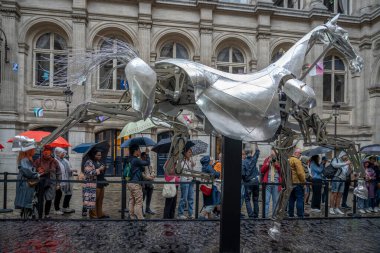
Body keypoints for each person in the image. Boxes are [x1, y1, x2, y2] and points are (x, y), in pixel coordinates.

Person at [34, 146, 61, 219]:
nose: (46, 154)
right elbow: (33, 171)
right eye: (45, 153)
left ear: (51, 153)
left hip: (51, 183)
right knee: (39, 199)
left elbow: (58, 173)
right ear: (43, 153)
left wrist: (58, 184)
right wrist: (37, 170)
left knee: (49, 199)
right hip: (40, 183)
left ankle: (46, 214)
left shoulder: (54, 161)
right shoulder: (38, 161)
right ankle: (39, 214)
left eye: (48, 153)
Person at [14, 148, 40, 216]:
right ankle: (26, 215)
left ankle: (26, 214)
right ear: (29, 151)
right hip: (25, 182)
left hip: (26, 181)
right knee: (26, 198)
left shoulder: (27, 159)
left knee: (27, 199)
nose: (34, 151)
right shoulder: (24, 160)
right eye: (33, 149)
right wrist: (37, 174)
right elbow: (27, 172)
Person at [127, 144, 150, 219]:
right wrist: (147, 154)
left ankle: (132, 216)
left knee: (132, 200)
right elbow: (147, 163)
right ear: (136, 151)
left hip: (130, 182)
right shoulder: (136, 160)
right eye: (139, 150)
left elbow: (141, 169)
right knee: (139, 201)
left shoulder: (129, 159)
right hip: (135, 183)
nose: (140, 151)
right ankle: (140, 217)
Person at [81, 149, 106, 218]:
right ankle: (93, 215)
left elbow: (100, 171)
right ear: (93, 155)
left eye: (100, 155)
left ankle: (100, 214)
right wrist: (99, 169)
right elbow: (88, 173)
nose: (100, 156)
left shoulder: (99, 162)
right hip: (93, 185)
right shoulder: (89, 162)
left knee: (100, 200)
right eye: (98, 155)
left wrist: (103, 169)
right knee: (93, 201)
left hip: (101, 183)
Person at [54, 147, 76, 214]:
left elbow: (67, 169)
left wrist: (72, 170)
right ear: (57, 153)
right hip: (58, 180)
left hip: (67, 179)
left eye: (64, 153)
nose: (63, 154)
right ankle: (56, 209)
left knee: (68, 193)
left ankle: (65, 207)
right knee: (58, 194)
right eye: (62, 153)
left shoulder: (65, 160)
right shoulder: (55, 161)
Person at [260, 147, 282, 218]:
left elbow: (282, 171)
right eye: (271, 153)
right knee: (266, 201)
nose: (272, 155)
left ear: (276, 153)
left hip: (276, 183)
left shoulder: (279, 160)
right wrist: (267, 163)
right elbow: (262, 170)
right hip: (268, 183)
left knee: (275, 201)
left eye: (273, 153)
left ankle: (274, 216)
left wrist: (276, 164)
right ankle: (265, 216)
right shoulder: (267, 159)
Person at [329, 151, 351, 215]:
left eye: (347, 156)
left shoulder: (346, 162)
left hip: (343, 179)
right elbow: (334, 165)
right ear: (342, 155)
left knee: (340, 194)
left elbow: (347, 173)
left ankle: (337, 208)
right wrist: (346, 163)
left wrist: (349, 167)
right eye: (345, 155)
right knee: (334, 193)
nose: (346, 157)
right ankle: (331, 208)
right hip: (336, 178)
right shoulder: (336, 159)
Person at [242, 144, 260, 218]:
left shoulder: (243, 162)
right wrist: (256, 144)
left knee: (247, 199)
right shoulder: (254, 159)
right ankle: (256, 214)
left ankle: (251, 215)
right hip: (255, 181)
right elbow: (258, 152)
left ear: (245, 153)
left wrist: (245, 179)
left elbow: (242, 173)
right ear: (251, 152)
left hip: (248, 182)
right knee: (255, 199)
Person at [177, 145, 195, 219]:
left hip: (190, 180)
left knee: (191, 198)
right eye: (189, 152)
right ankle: (180, 214)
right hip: (184, 181)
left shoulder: (190, 161)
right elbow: (179, 170)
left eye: (191, 152)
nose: (190, 154)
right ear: (185, 153)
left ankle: (191, 213)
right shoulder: (180, 161)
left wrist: (193, 166)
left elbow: (191, 172)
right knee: (184, 198)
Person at [288, 148, 306, 218]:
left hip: (290, 183)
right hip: (297, 183)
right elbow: (300, 173)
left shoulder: (289, 160)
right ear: (296, 153)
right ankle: (300, 215)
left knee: (291, 199)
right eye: (300, 153)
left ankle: (291, 214)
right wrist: (303, 182)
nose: (300, 155)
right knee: (299, 199)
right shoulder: (297, 160)